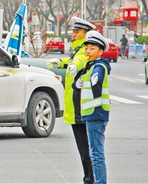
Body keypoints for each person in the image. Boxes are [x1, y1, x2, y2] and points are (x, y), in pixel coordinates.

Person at [46, 16, 96, 184]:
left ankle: (90, 179)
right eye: (73, 31)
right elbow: (75, 60)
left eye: (77, 32)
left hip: (80, 108)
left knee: (86, 149)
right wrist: (61, 62)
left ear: (86, 34)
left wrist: (75, 65)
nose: (73, 35)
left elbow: (82, 60)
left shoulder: (85, 50)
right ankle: (89, 178)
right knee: (84, 148)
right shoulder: (78, 49)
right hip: (76, 107)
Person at [74, 30, 111, 184]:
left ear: (100, 51)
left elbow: (97, 79)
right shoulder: (90, 66)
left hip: (96, 114)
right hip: (91, 114)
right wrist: (77, 83)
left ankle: (100, 182)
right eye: (87, 48)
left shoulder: (99, 66)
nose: (88, 51)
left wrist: (93, 82)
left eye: (92, 49)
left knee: (96, 154)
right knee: (94, 153)